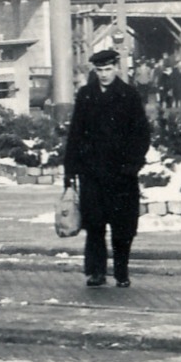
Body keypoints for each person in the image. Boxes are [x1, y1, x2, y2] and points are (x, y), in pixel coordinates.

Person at [62, 48, 151, 288]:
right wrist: (70, 172)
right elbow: (75, 135)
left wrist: (132, 165)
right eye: (99, 70)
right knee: (95, 225)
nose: (103, 74)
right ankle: (96, 272)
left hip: (122, 175)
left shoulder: (129, 95)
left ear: (116, 68)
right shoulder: (86, 95)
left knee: (123, 228)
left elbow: (142, 134)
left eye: (108, 69)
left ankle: (121, 272)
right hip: (92, 174)